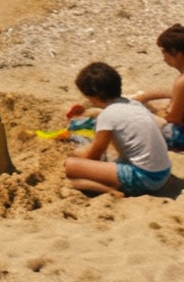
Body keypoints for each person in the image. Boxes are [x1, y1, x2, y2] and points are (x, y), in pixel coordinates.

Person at [65, 62, 172, 197]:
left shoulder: (108, 115)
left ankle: (109, 191)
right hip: (163, 172)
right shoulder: (134, 104)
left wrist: (75, 154)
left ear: (94, 95)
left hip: (145, 179)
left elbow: (94, 156)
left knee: (69, 168)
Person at [130, 25, 184, 152]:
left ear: (176, 53)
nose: (163, 57)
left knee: (134, 117)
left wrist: (163, 112)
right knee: (147, 105)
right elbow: (177, 95)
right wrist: (146, 96)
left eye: (164, 52)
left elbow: (173, 119)